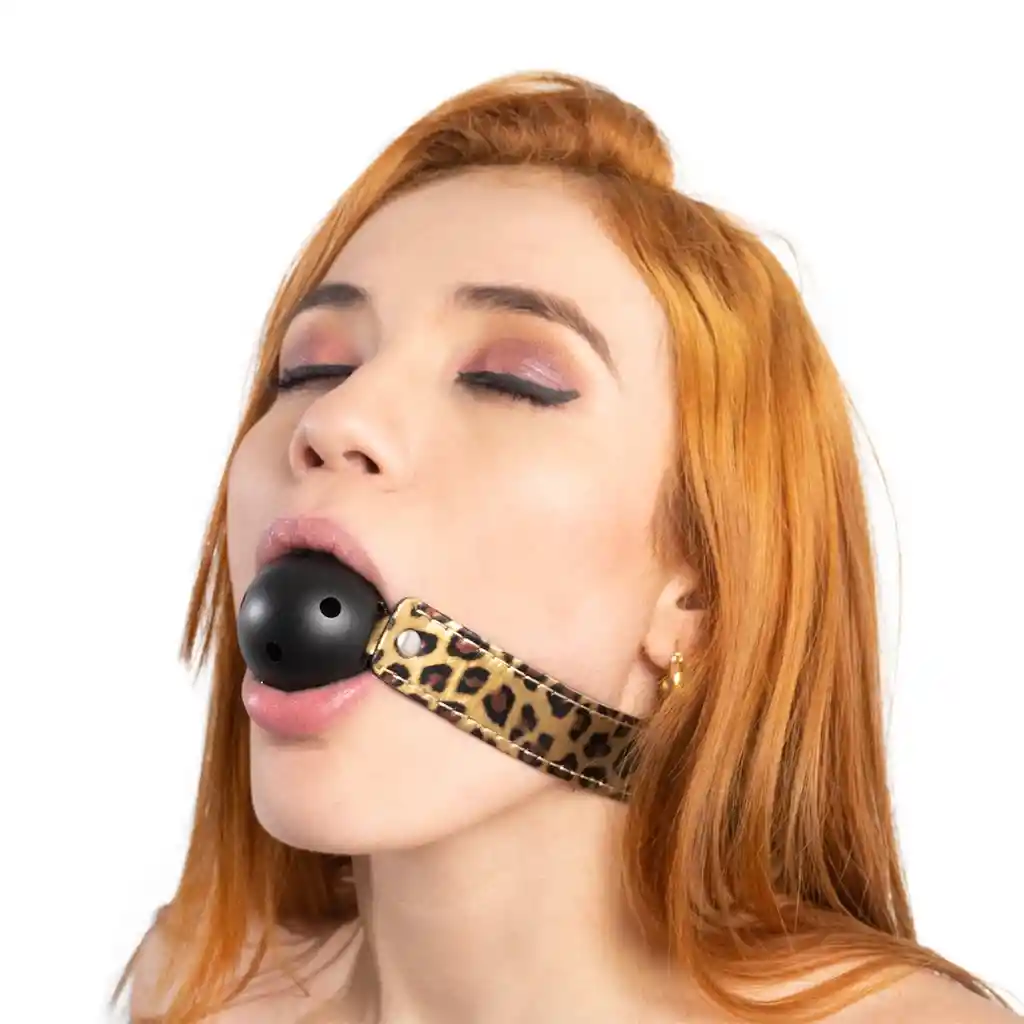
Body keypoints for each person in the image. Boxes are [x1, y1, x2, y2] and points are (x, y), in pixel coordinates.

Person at [116, 72, 1019, 1023]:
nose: (336, 418)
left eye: (511, 380)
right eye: (313, 366)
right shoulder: (195, 993)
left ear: (696, 599)